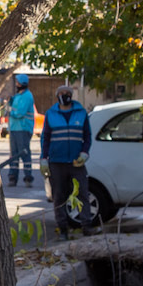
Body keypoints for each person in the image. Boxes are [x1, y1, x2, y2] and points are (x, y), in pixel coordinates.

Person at [39, 85, 92, 238]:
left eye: (67, 93)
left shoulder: (81, 113)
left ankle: (87, 226)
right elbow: (45, 138)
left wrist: (84, 153)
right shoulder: (51, 114)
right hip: (56, 162)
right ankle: (62, 229)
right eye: (62, 93)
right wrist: (44, 159)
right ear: (57, 96)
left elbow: (87, 136)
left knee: (82, 194)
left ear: (71, 95)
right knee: (58, 196)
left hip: (76, 162)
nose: (65, 95)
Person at [7, 74, 36, 186]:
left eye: (18, 82)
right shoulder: (18, 96)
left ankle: (28, 177)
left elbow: (20, 113)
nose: (16, 84)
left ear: (22, 83)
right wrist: (10, 101)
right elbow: (14, 106)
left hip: (23, 128)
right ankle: (12, 177)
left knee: (24, 152)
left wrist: (10, 112)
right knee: (13, 154)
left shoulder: (27, 96)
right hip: (14, 128)